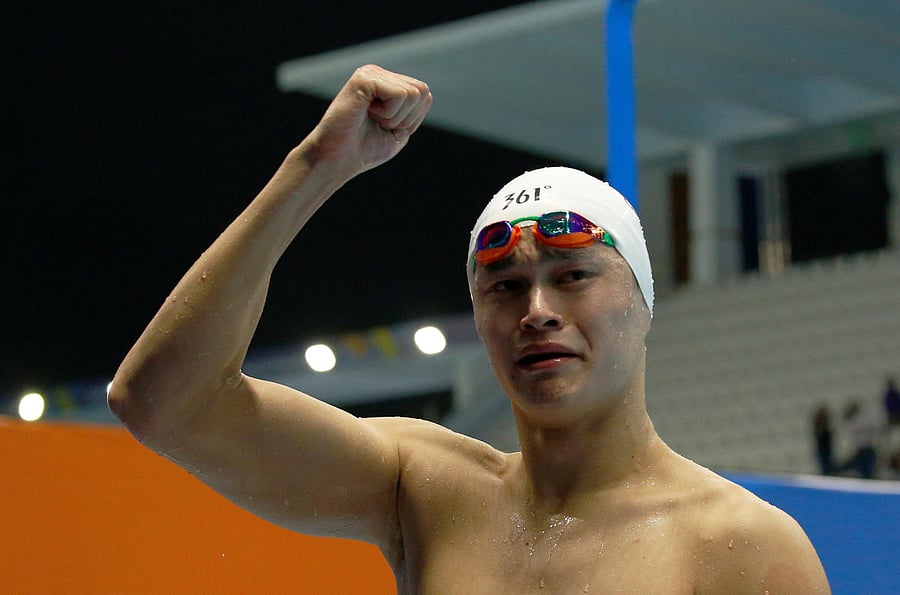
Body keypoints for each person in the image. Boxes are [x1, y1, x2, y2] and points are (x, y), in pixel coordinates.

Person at [109, 65, 830, 593]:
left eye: (573, 275)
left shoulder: (737, 546)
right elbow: (164, 400)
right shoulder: (425, 490)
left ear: (644, 301)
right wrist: (315, 168)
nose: (537, 310)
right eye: (505, 287)